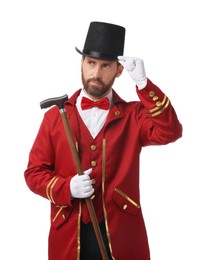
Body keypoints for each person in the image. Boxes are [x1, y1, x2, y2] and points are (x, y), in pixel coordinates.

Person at [24, 21, 182, 260]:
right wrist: (66, 188)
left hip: (121, 234)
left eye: (106, 66)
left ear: (119, 71)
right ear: (82, 63)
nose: (96, 74)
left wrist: (144, 84)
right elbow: (34, 173)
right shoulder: (55, 117)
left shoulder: (134, 115)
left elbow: (170, 131)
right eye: (90, 63)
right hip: (69, 233)